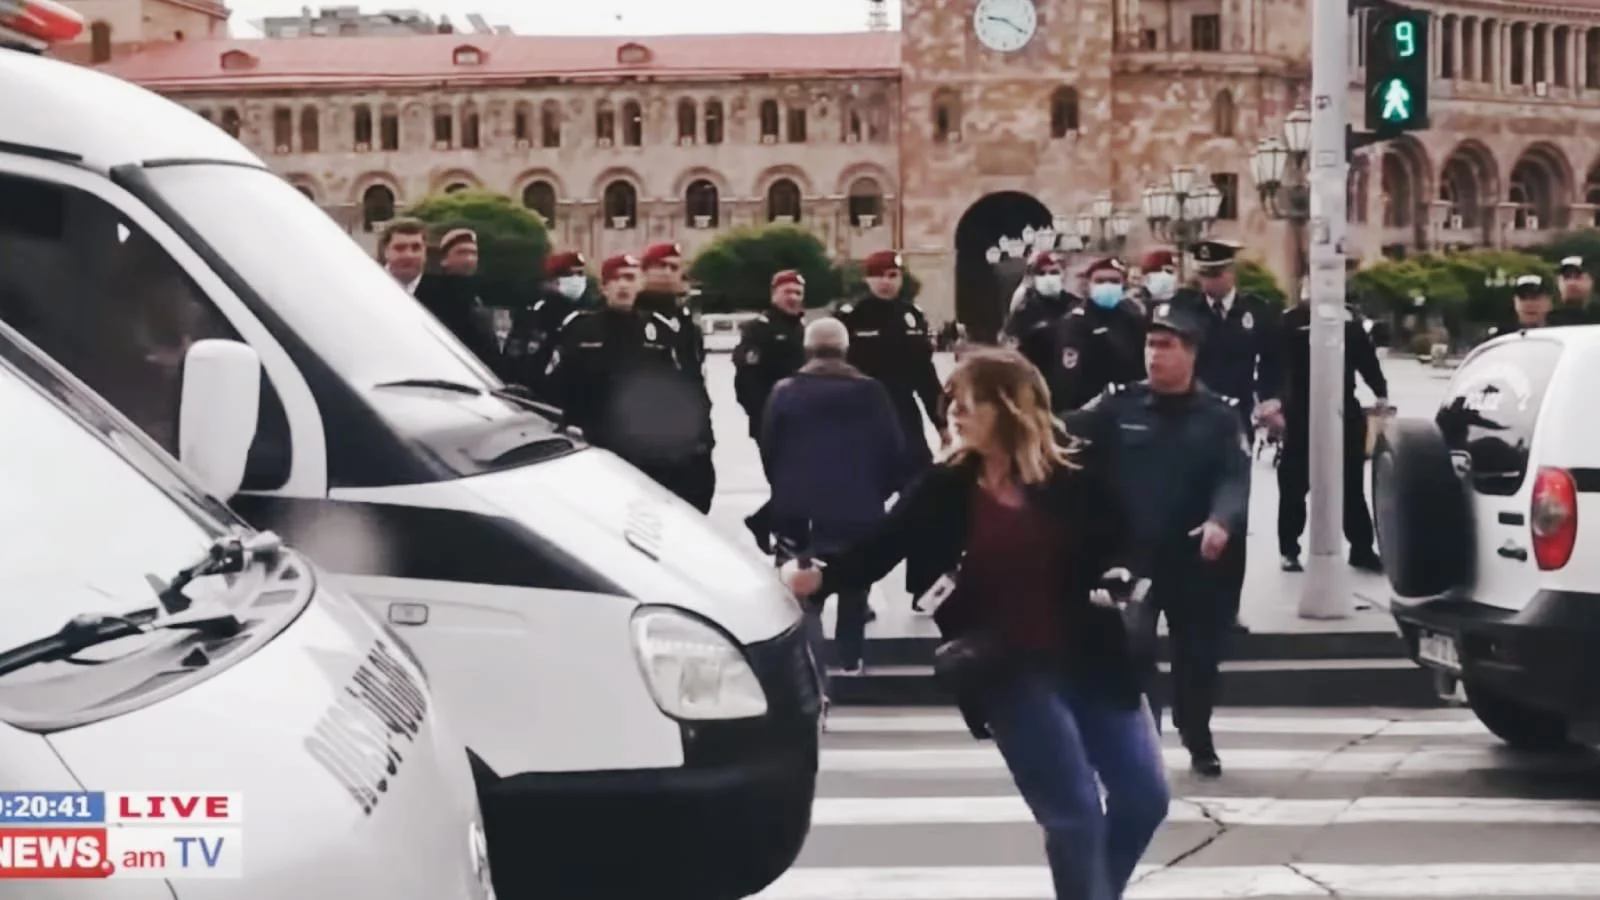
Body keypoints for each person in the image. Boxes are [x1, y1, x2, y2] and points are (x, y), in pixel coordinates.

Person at [781, 348, 1168, 900]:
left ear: (1009, 408)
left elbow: (1128, 538)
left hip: (1095, 659)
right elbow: (878, 548)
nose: (954, 415)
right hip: (1007, 669)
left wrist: (1121, 573)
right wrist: (818, 576)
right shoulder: (946, 487)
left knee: (1145, 799)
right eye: (951, 404)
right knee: (1075, 817)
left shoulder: (1075, 475)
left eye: (968, 404)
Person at [1065, 301, 1251, 778]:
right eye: (1150, 345)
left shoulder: (1221, 416)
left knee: (1198, 659)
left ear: (1191, 353)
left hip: (1197, 559)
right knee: (1133, 648)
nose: (1154, 355)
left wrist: (1221, 521)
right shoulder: (1118, 404)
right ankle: (1144, 742)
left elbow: (1234, 477)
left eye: (1166, 346)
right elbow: (1066, 430)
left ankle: (1197, 734)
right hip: (1133, 557)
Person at [761, 318, 905, 681]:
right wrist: (876, 493)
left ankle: (812, 672)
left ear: (807, 349)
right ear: (845, 349)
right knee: (854, 588)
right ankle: (850, 660)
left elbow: (769, 449)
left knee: (804, 596)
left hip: (800, 514)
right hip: (860, 511)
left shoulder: (785, 391)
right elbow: (893, 449)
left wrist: (786, 491)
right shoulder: (872, 392)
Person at [1170, 239, 1284, 635]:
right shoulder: (1185, 310)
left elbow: (1274, 362)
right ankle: (1183, 604)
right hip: (1188, 419)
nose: (1210, 282)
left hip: (1234, 425)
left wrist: (1272, 400)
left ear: (1231, 273)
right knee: (1185, 512)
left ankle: (1227, 608)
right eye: (1204, 274)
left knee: (1232, 515)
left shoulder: (1256, 311)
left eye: (1216, 274)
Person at [545, 253, 713, 509]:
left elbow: (680, 388)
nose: (623, 285)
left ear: (640, 284)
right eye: (616, 279)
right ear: (604, 287)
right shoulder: (579, 327)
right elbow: (557, 385)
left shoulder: (659, 330)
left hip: (645, 446)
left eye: (630, 278)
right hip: (594, 442)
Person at [1278, 293, 1388, 573]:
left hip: (1342, 408)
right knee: (1294, 485)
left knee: (1351, 484)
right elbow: (1276, 364)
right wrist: (1274, 403)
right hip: (1301, 411)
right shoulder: (1292, 320)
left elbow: (1366, 359)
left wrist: (1380, 391)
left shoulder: (1347, 320)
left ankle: (1361, 548)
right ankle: (1289, 549)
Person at [633, 241, 715, 511]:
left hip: (692, 443)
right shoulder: (632, 319)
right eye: (661, 266)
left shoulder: (686, 323)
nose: (669, 273)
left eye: (674, 267)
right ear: (644, 272)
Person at [734, 269, 811, 553]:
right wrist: (764, 419)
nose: (793, 298)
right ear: (774, 294)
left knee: (803, 484)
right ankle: (788, 547)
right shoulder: (759, 330)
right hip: (773, 424)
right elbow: (747, 383)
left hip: (803, 425)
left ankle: (765, 524)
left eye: (798, 293)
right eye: (787, 292)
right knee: (789, 486)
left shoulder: (803, 330)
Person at [1031, 256, 1146, 413]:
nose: (1107, 286)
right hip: (1090, 410)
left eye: (1114, 281)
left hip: (1130, 407)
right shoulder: (1077, 322)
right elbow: (1068, 379)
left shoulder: (1132, 318)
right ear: (1089, 285)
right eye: (1100, 281)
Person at [407, 226, 502, 368]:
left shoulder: (477, 297)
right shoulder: (431, 296)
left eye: (473, 253)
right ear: (444, 260)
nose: (469, 259)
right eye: (462, 252)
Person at [503, 250, 590, 399]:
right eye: (570, 274)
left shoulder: (588, 315)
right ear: (552, 280)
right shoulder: (533, 314)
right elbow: (514, 361)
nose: (577, 280)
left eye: (580, 274)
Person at [1001, 251, 1075, 350]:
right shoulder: (1024, 310)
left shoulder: (1075, 306)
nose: (1048, 278)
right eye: (1041, 273)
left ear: (1063, 274)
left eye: (1054, 272)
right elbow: (1009, 344)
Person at [1487, 274, 1554, 334]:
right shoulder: (1500, 337)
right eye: (1523, 297)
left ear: (1549, 302)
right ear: (1514, 302)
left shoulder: (1557, 333)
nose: (1529, 304)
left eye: (1535, 297)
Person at [1549, 256, 1597, 325]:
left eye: (1577, 277)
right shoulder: (1546, 320)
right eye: (1566, 277)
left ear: (1591, 281)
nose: (1571, 283)